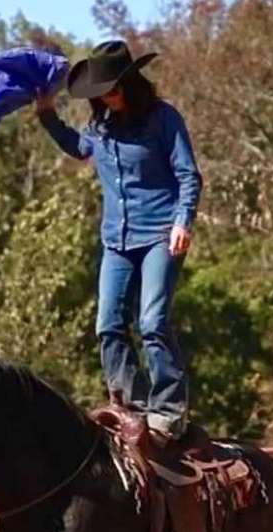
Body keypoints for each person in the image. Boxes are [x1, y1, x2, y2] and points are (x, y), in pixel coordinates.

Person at [36, 39, 202, 444]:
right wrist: (46, 114)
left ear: (130, 83)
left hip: (161, 233)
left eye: (111, 89)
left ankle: (168, 409)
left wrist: (184, 221)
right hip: (116, 240)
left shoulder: (164, 119)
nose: (106, 98)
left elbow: (188, 175)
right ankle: (131, 403)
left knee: (151, 323)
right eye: (99, 94)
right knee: (108, 323)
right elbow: (78, 147)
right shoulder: (100, 128)